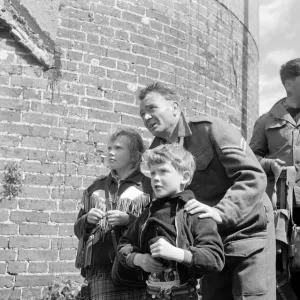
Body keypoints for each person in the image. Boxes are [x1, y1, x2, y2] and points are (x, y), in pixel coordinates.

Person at [137, 82, 276, 300]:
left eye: (151, 108)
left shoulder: (210, 129)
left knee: (251, 295)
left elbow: (252, 175)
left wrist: (220, 212)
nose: (146, 117)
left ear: (175, 108)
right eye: (142, 114)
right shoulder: (156, 153)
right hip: (210, 240)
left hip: (248, 229)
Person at [115, 144, 225, 300]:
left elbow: (215, 258)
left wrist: (177, 253)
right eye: (152, 173)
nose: (156, 178)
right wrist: (139, 259)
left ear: (185, 177)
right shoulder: (148, 213)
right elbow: (123, 246)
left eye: (163, 171)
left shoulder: (194, 212)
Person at [74, 128, 152, 300]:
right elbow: (78, 230)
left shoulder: (149, 188)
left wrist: (129, 220)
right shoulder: (95, 188)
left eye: (118, 148)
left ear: (134, 156)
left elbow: (156, 229)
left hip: (137, 270)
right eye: (109, 148)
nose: (110, 152)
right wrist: (86, 220)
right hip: (102, 271)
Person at [250, 58, 300, 299]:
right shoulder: (266, 121)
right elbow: (250, 158)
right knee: (281, 267)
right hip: (280, 206)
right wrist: (269, 164)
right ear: (289, 84)